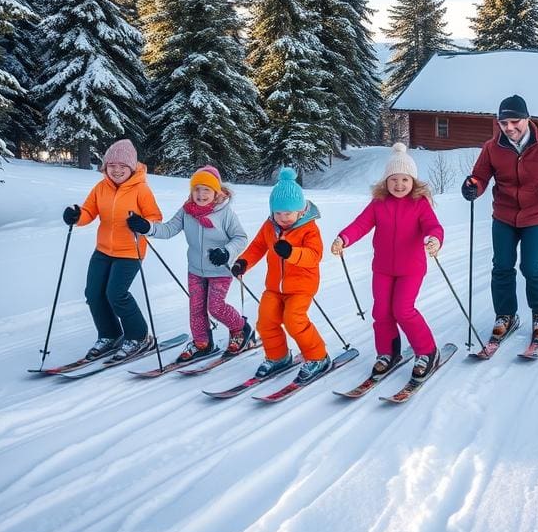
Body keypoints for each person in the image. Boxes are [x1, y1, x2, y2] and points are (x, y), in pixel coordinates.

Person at [460, 95, 538, 344]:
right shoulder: (492, 147)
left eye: (514, 121)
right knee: (502, 266)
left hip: (536, 214)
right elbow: (480, 176)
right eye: (503, 123)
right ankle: (505, 315)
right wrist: (473, 186)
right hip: (504, 214)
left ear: (527, 119)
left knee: (531, 266)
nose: (509, 128)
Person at [332, 143, 444, 382]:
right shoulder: (379, 203)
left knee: (403, 310)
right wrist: (344, 237)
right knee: (381, 312)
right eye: (394, 179)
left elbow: (433, 226)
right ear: (386, 181)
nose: (399, 185)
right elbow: (361, 224)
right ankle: (388, 352)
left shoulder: (419, 204)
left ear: (413, 181)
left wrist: (434, 239)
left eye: (405, 179)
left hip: (411, 269)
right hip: (382, 268)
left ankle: (427, 352)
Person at [127, 165, 253, 363]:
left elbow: (240, 237)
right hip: (195, 269)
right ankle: (202, 343)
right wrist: (146, 227)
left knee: (216, 307)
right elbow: (168, 230)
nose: (201, 194)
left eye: (206, 190)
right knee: (196, 308)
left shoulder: (225, 213)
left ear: (216, 192)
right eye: (197, 189)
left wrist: (226, 252)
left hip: (220, 269)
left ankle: (240, 329)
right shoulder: (186, 212)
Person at [62, 139, 162, 361]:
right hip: (103, 250)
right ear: (105, 166)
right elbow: (88, 211)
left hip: (130, 252)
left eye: (122, 166)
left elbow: (155, 217)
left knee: (116, 294)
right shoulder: (101, 187)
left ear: (131, 168)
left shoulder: (141, 190)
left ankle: (139, 336)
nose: (116, 171)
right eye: (112, 166)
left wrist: (143, 224)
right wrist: (76, 216)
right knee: (93, 293)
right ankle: (110, 335)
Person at [230, 167, 330, 384]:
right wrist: (243, 263)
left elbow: (314, 256)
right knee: (266, 321)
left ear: (301, 211)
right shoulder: (270, 226)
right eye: (278, 213)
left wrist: (291, 252)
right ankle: (278, 357)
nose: (283, 218)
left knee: (294, 320)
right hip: (275, 287)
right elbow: (257, 247)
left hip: (302, 287)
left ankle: (318, 357)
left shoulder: (309, 229)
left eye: (288, 213)